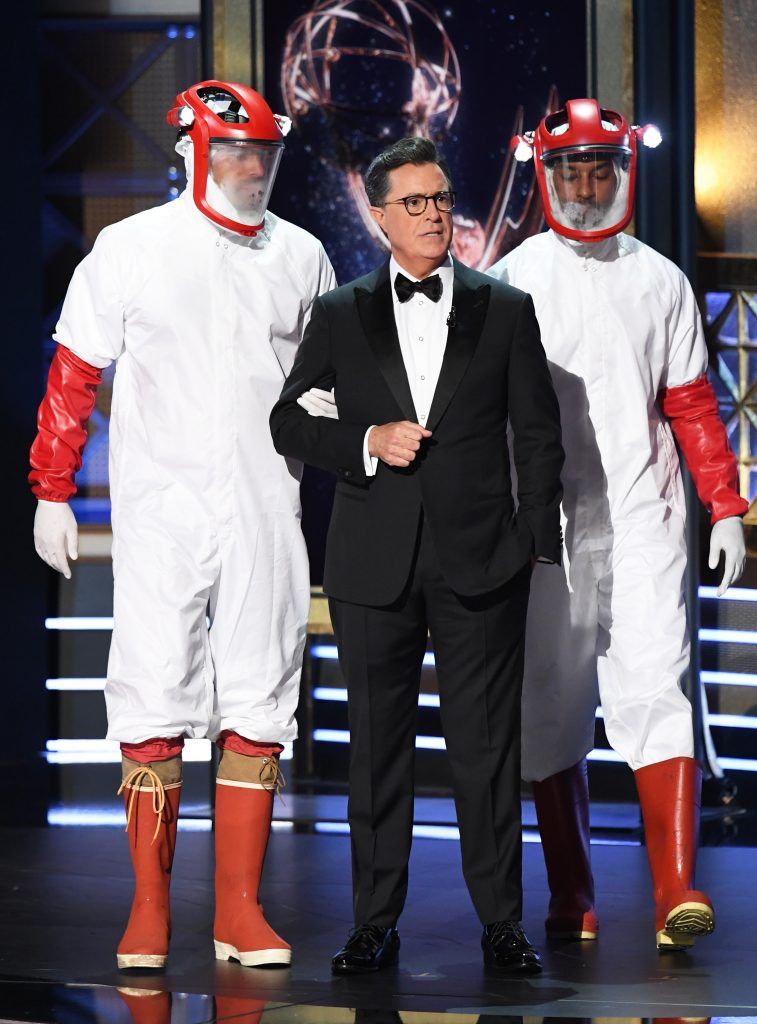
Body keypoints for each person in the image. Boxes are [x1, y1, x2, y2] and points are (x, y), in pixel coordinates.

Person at [29, 80, 336, 969]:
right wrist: (52, 486)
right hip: (162, 508)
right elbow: (74, 371)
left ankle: (238, 910)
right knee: (154, 685)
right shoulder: (130, 250)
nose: (252, 170)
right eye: (237, 152)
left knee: (260, 688)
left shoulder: (302, 255)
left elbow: (324, 380)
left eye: (266, 156)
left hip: (264, 501)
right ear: (193, 152)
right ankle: (150, 910)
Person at [271, 137, 564, 975]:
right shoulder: (340, 313)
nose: (434, 214)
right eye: (415, 203)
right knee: (376, 752)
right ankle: (373, 922)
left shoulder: (502, 307)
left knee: (486, 750)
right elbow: (288, 421)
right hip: (371, 563)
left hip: (483, 561)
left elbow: (537, 436)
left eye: (440, 198)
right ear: (378, 217)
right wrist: (366, 439)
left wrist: (533, 546)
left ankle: (502, 925)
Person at [487, 98, 748, 950]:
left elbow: (689, 404)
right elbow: (482, 411)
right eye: (571, 169)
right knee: (550, 704)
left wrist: (726, 504)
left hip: (643, 514)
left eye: (600, 166)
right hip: (545, 526)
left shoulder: (659, 279)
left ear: (623, 170)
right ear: (545, 175)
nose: (586, 184)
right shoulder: (514, 278)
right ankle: (572, 893)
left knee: (656, 689)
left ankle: (676, 886)